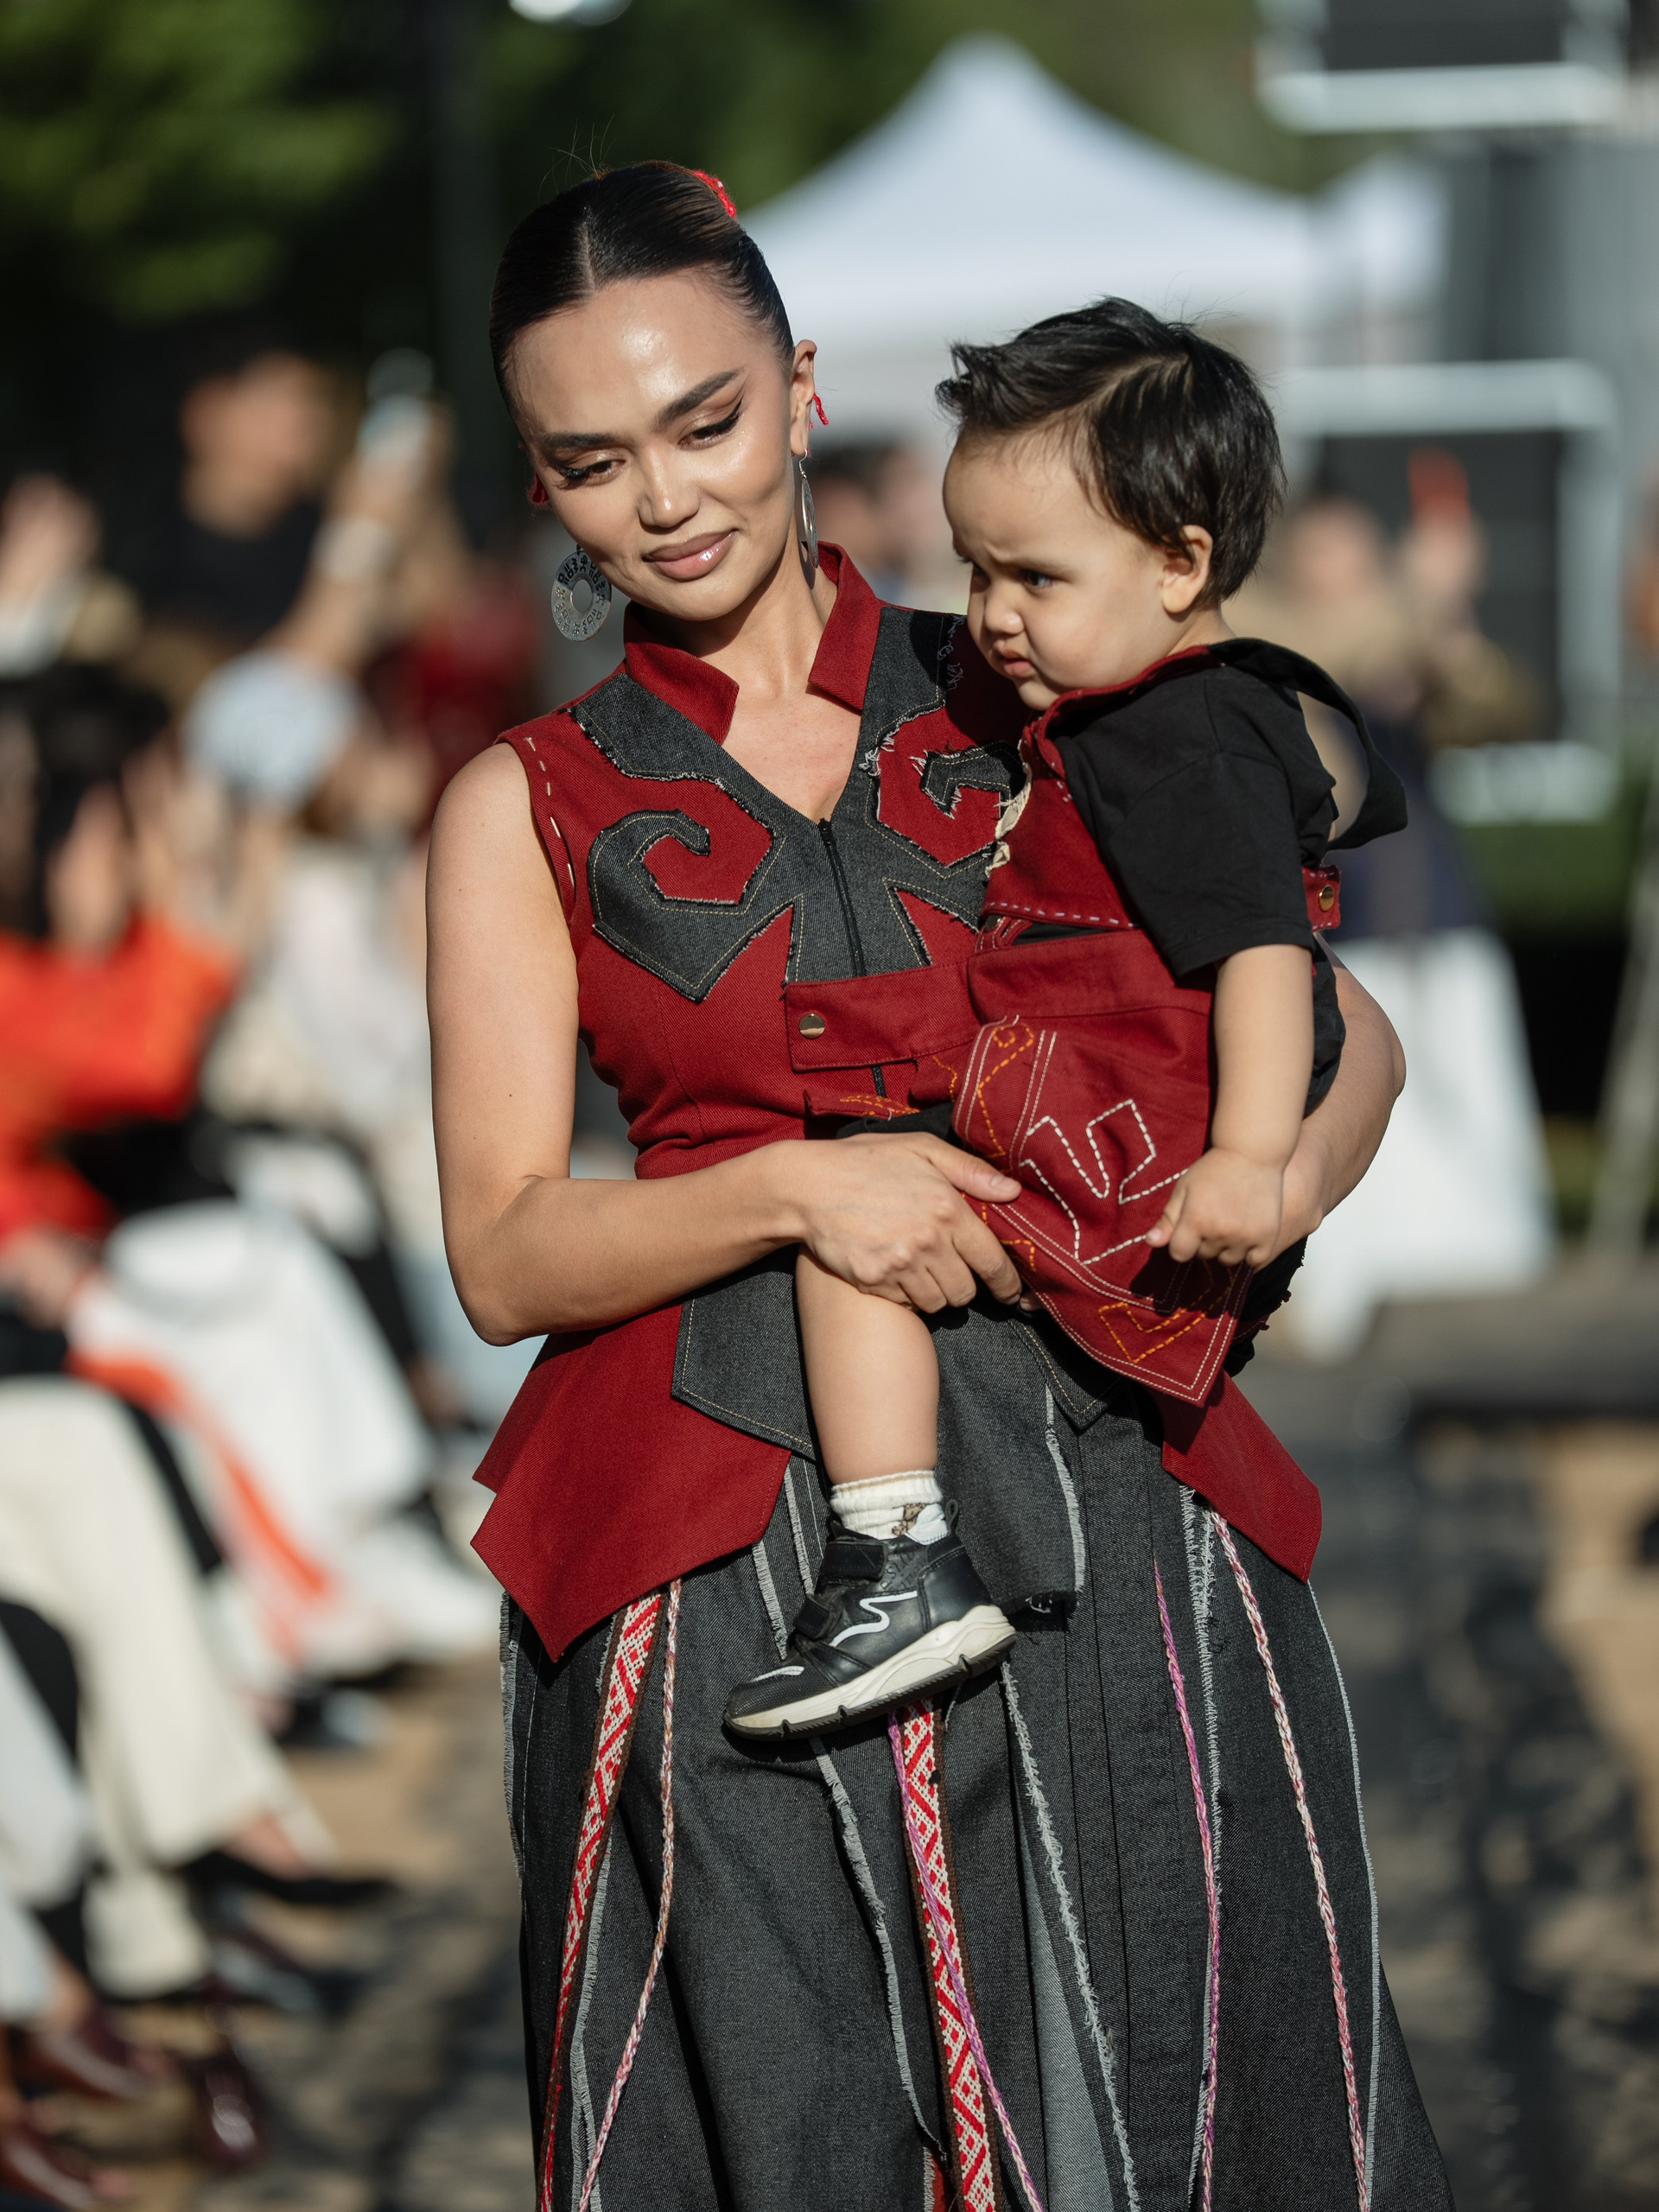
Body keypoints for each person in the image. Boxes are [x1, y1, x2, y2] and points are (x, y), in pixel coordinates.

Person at [430, 162, 1448, 2209]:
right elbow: (506, 1247)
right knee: (800, 2124)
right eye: (595, 460)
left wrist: (1259, 1205)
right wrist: (800, 1195)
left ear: (804, 387)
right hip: (722, 1558)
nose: (668, 497)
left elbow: (1343, 1021)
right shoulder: (519, 801)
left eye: (708, 419)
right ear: (542, 485)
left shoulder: (1040, 675)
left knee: (1179, 2086)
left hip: (1105, 1499)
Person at [725, 302, 1406, 1739]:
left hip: (1119, 1128)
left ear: (1181, 565)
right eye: (976, 570)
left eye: (1036, 575)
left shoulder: (1186, 734)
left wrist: (1250, 1159)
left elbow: (1264, 956)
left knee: (849, 1224)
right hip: (1103, 1099)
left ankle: (892, 1549)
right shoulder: (1148, 714)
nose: (992, 614)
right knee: (859, 1141)